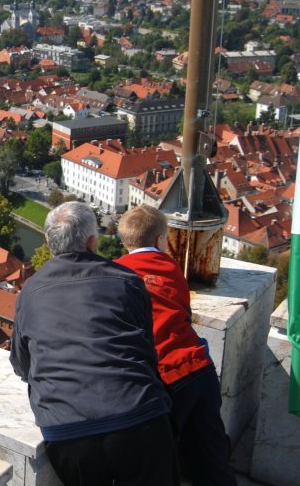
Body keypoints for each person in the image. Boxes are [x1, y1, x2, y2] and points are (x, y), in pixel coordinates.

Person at [11, 201, 179, 486]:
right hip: (139, 418)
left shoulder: (30, 291)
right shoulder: (128, 280)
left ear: (49, 243)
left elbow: (21, 365)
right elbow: (147, 353)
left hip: (69, 433)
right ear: (92, 242)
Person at [115, 204, 236, 486]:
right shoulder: (171, 267)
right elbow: (184, 314)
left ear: (124, 240)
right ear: (160, 240)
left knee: (160, 463)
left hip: (166, 377)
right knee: (213, 455)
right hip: (199, 368)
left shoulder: (115, 272)